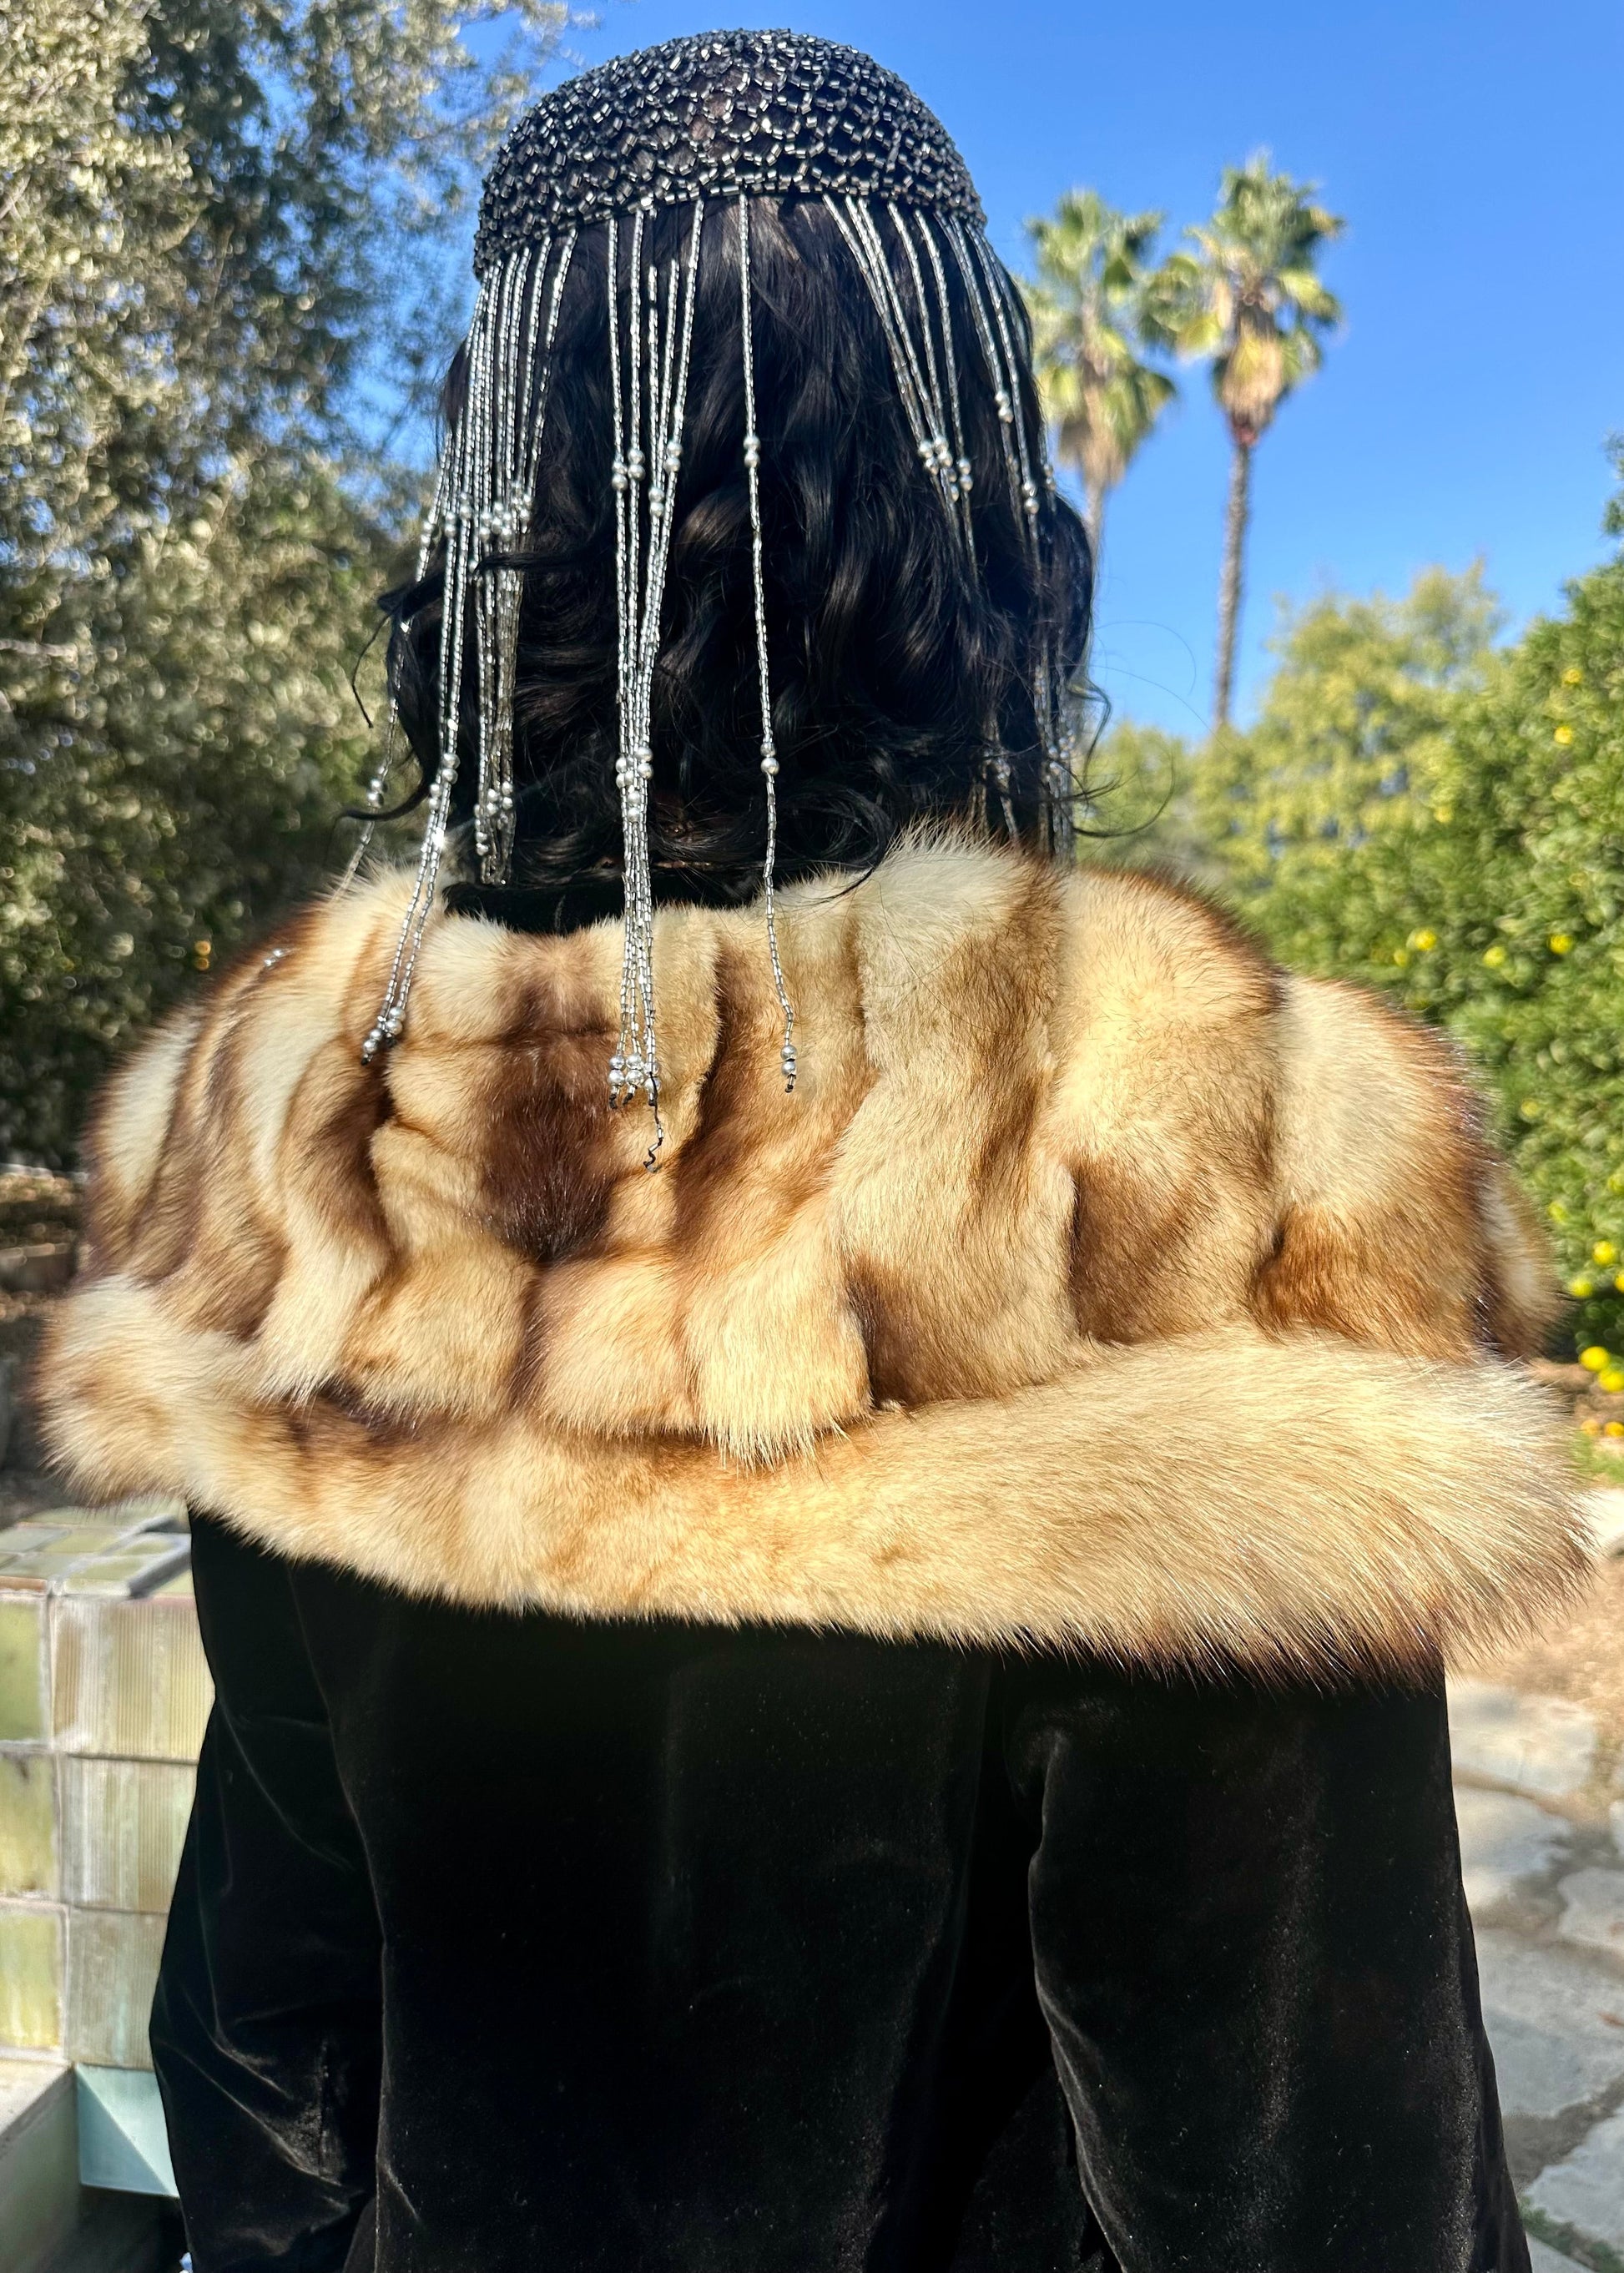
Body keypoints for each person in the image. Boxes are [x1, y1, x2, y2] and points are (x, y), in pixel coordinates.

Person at [37, 32, 1585, 2273]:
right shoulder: (1146, 1127)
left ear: (504, 490)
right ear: (952, 484)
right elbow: (1280, 2145)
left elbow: (267, 2017)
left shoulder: (312, 1121)